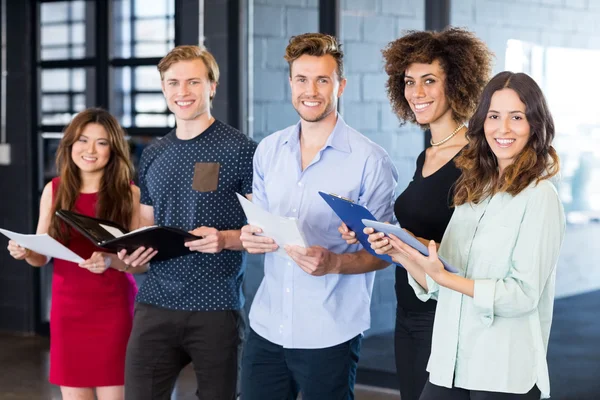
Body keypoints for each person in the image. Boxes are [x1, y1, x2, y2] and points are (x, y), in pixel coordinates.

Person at [368, 71, 565, 399]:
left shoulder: (540, 196)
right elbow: (444, 274)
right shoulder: (476, 189)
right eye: (493, 116)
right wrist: (400, 250)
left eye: (516, 117)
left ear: (535, 124)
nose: (502, 129)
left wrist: (444, 279)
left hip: (501, 372)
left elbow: (521, 295)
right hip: (451, 362)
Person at [239, 33, 398, 400]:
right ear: (290, 83)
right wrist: (252, 238)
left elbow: (386, 254)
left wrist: (335, 263)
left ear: (340, 85)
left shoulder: (369, 160)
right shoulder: (268, 151)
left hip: (330, 331)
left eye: (322, 80)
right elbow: (260, 227)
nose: (311, 90)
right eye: (302, 79)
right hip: (266, 326)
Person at [340, 27, 493, 400]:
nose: (416, 93)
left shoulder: (477, 157)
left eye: (429, 80)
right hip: (408, 307)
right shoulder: (428, 154)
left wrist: (409, 244)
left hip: (446, 314)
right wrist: (371, 234)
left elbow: (476, 250)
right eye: (409, 82)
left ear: (456, 83)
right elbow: (418, 229)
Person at [120, 45, 257, 400]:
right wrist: (132, 254)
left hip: (215, 306)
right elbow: (146, 224)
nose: (182, 92)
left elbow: (264, 230)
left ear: (212, 86)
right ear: (164, 88)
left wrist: (225, 238)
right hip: (155, 304)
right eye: (173, 83)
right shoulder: (153, 153)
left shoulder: (241, 150)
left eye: (193, 82)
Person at [7, 108, 146, 400]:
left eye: (102, 142)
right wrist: (26, 251)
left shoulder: (129, 193)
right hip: (67, 310)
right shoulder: (54, 190)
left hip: (114, 310)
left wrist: (110, 260)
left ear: (114, 149)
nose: (90, 150)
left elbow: (139, 265)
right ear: (70, 144)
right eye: (82, 140)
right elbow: (41, 256)